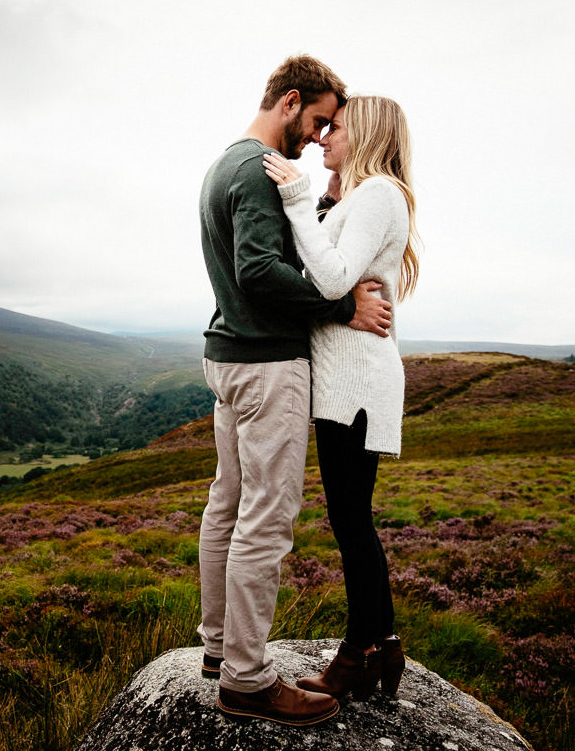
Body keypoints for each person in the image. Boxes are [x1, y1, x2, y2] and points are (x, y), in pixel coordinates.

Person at [198, 56, 393, 726]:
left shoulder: (224, 164)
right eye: (315, 120)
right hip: (265, 364)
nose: (317, 136)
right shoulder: (256, 171)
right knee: (265, 520)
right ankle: (247, 680)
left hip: (226, 358)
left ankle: (219, 650)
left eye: (327, 128)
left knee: (226, 505)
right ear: (288, 102)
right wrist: (341, 310)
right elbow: (259, 271)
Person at [261, 93, 420, 702]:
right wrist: (320, 204)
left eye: (337, 129)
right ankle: (379, 646)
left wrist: (300, 200)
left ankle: (360, 654)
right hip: (345, 383)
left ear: (369, 134)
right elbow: (328, 279)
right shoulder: (361, 197)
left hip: (354, 387)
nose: (324, 137)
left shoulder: (379, 194)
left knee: (352, 523)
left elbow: (329, 278)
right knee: (352, 520)